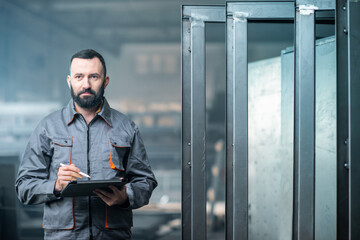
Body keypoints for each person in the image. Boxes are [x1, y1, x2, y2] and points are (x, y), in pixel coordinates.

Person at [15, 49, 157, 240]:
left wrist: (125, 196)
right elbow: (24, 187)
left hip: (112, 236)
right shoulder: (47, 127)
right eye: (79, 76)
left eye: (94, 77)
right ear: (69, 81)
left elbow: (146, 182)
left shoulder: (126, 127)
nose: (86, 84)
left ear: (105, 81)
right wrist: (56, 185)